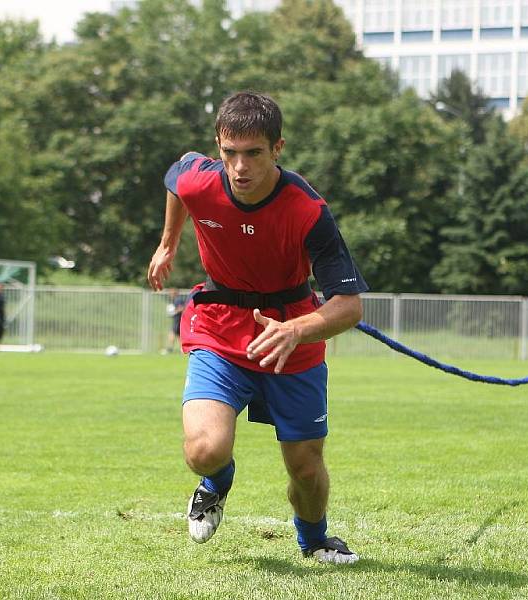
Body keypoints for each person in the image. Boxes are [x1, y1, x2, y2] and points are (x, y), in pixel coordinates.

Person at [147, 91, 368, 563]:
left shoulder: (307, 210)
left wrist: (296, 331)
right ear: (218, 147)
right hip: (219, 329)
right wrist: (168, 242)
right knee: (205, 448)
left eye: (254, 154)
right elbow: (176, 178)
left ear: (278, 149)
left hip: (293, 334)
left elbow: (349, 307)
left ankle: (314, 541)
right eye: (230, 153)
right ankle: (216, 483)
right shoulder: (199, 179)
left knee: (305, 468)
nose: (240, 167)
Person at [163, 288, 185, 353]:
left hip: (177, 320)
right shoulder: (176, 300)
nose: (170, 295)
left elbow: (182, 308)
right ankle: (182, 349)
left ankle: (170, 349)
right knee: (179, 335)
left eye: (171, 293)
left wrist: (174, 311)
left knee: (172, 333)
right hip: (178, 320)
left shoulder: (178, 300)